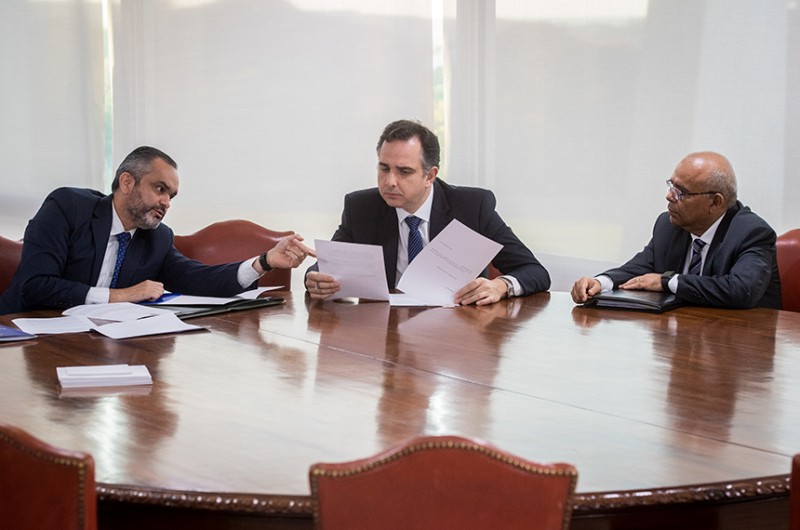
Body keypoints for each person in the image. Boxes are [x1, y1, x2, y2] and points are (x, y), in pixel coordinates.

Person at [0, 146, 314, 315]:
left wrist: (264, 262)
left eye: (171, 196)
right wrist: (121, 296)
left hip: (95, 343)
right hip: (22, 335)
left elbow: (201, 279)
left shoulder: (157, 237)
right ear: (127, 182)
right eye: (160, 189)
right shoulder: (68, 206)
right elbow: (36, 286)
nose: (166, 202)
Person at [305, 119, 550, 306]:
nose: (390, 181)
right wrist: (315, 278)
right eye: (384, 168)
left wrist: (501, 285)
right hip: (385, 334)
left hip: (458, 334)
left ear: (430, 176)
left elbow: (535, 272)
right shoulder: (361, 207)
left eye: (404, 171)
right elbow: (324, 267)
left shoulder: (471, 207)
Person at [570, 151, 781, 309]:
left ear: (715, 202)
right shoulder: (669, 225)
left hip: (740, 342)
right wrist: (600, 282)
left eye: (681, 192)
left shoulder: (751, 233)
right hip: (684, 337)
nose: (669, 196)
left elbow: (741, 291)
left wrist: (668, 282)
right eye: (671, 186)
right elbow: (640, 268)